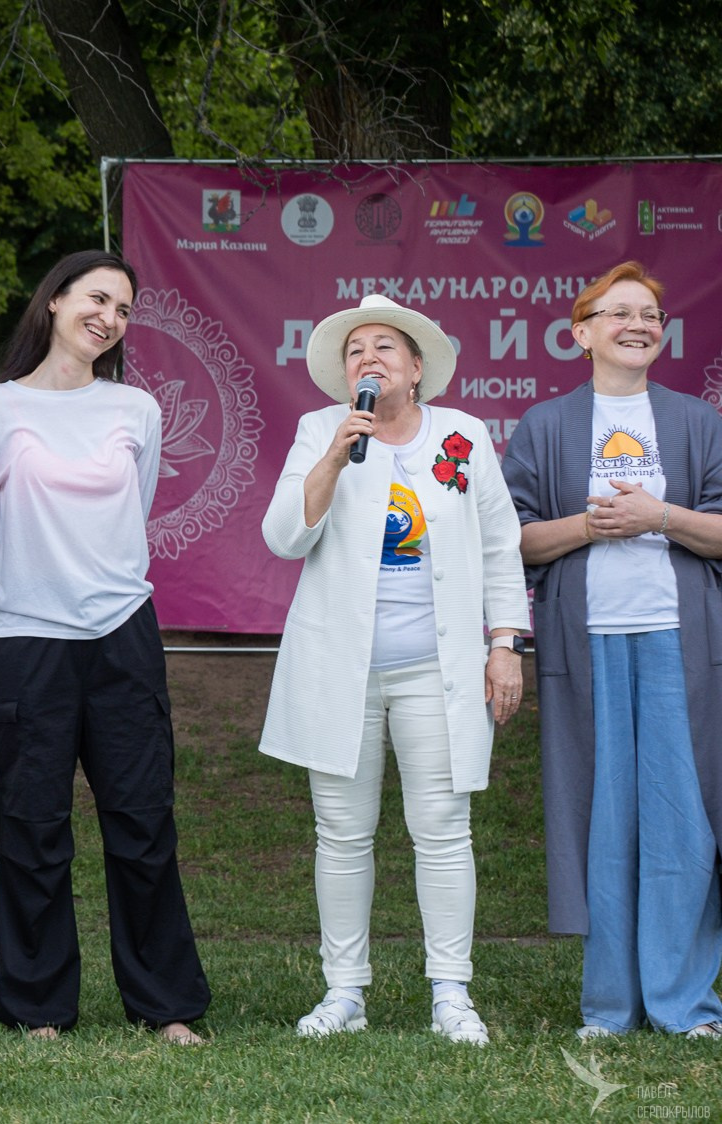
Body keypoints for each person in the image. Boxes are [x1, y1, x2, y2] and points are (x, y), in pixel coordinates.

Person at [260, 293, 528, 1045]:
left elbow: (499, 545)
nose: (367, 358)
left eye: (384, 347)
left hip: (434, 670)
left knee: (443, 828)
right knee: (341, 834)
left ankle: (451, 992)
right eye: (355, 351)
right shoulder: (323, 429)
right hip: (340, 670)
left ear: (416, 368)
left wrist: (504, 640)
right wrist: (334, 457)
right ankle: (345, 992)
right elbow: (284, 535)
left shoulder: (464, 436)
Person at [0, 250, 209, 1045]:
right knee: (30, 827)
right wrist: (28, 600)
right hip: (27, 640)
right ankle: (38, 1007)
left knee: (142, 824)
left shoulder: (135, 411)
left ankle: (164, 1004)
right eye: (97, 298)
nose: (110, 317)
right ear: (57, 299)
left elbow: (131, 516)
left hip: (122, 638)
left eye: (125, 308)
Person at [502, 261, 722, 1040]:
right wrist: (591, 527)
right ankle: (609, 1006)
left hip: (682, 645)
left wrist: (660, 514)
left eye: (651, 313)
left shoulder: (699, 422)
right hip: (584, 644)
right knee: (601, 821)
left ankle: (686, 1003)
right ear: (581, 332)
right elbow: (513, 540)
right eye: (619, 312)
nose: (638, 323)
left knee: (683, 823)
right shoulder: (547, 426)